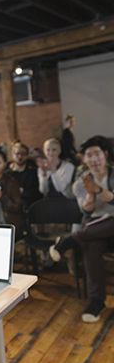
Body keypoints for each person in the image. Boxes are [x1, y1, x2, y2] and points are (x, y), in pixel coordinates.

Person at [49, 136, 114, 323]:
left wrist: (99, 190)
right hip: (97, 228)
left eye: (97, 154)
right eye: (89, 155)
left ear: (105, 155)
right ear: (84, 159)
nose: (94, 158)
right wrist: (91, 194)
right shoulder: (80, 183)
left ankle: (69, 240)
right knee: (91, 247)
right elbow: (86, 210)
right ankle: (96, 301)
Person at [7, 141, 42, 212]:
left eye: (23, 154)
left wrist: (24, 192)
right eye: (17, 154)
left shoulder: (33, 173)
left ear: (27, 156)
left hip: (29, 207)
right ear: (13, 155)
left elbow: (38, 193)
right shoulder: (8, 175)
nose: (20, 157)